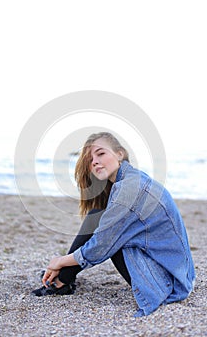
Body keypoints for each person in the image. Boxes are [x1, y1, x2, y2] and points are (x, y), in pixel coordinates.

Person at [32, 132, 195, 317]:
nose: (94, 161)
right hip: (178, 275)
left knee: (107, 234)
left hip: (167, 283)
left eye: (101, 154)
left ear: (120, 154)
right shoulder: (133, 179)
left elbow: (100, 246)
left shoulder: (129, 189)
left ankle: (62, 281)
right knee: (97, 217)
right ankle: (64, 280)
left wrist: (59, 261)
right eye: (90, 159)